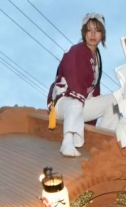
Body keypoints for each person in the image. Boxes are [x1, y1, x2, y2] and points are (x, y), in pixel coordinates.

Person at [48, 12, 119, 157]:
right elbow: (74, 81)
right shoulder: (77, 51)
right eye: (89, 30)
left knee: (116, 100)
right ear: (84, 32)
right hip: (62, 103)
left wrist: (90, 126)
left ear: (102, 35)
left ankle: (101, 142)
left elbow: (94, 93)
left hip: (81, 104)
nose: (93, 34)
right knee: (75, 103)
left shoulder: (97, 57)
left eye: (97, 30)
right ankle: (67, 142)